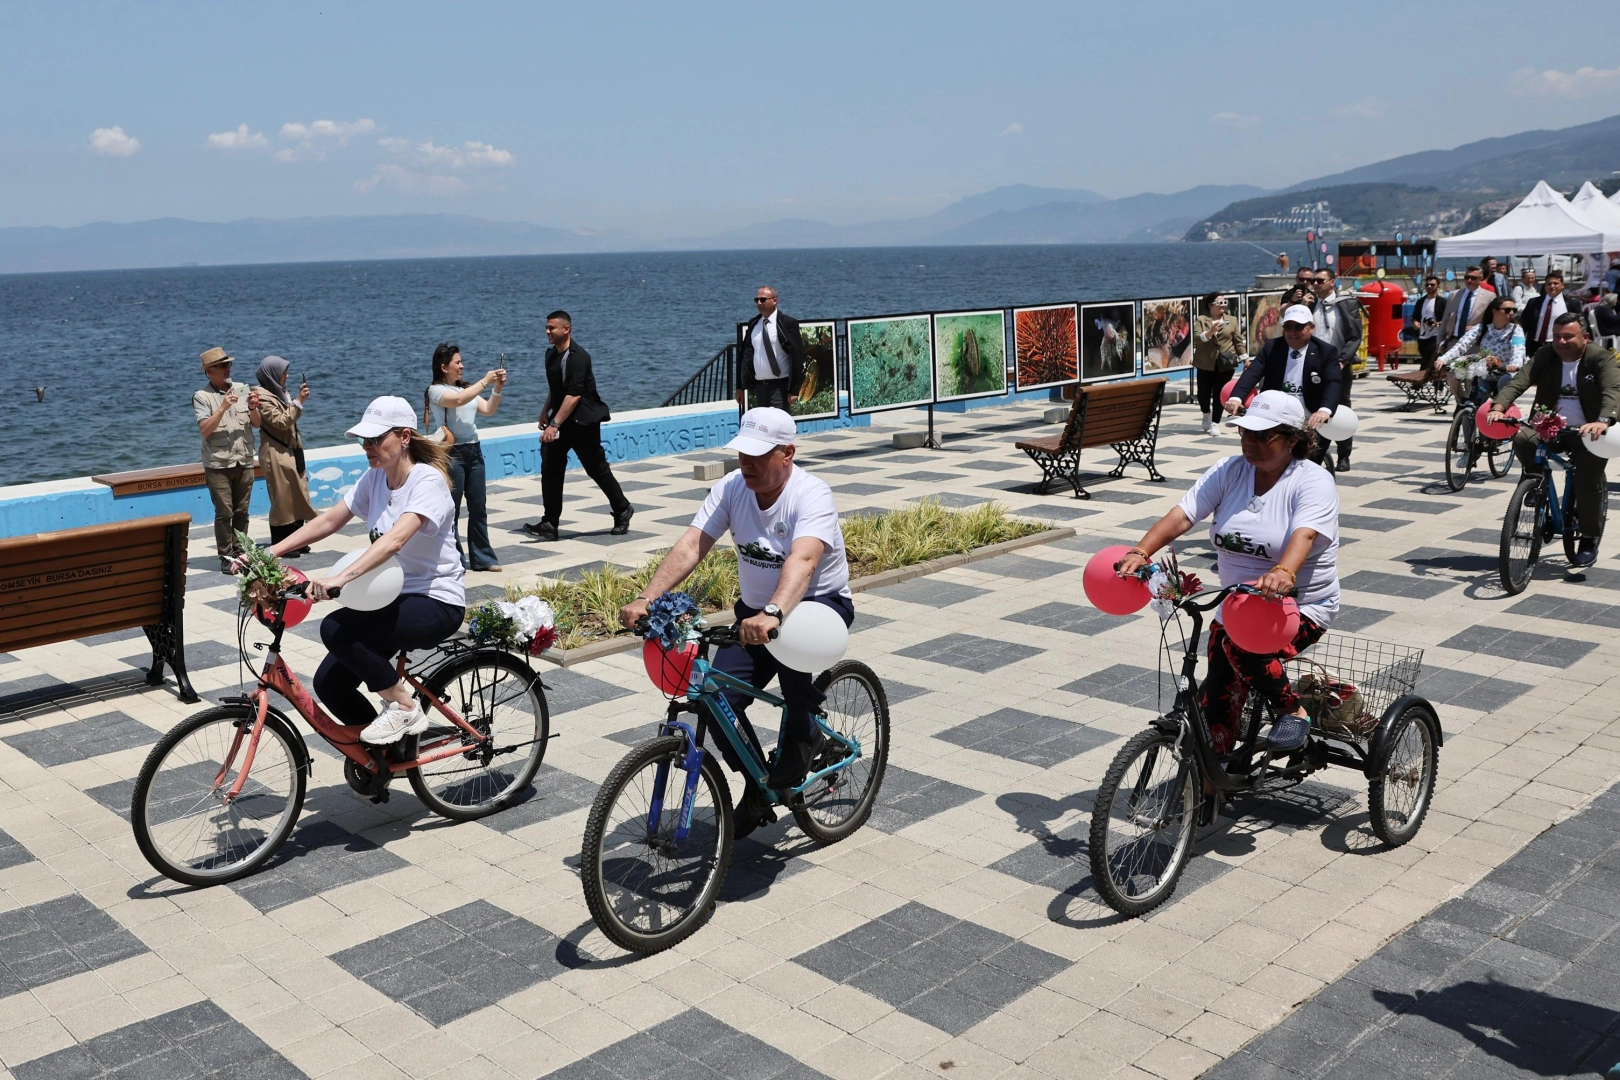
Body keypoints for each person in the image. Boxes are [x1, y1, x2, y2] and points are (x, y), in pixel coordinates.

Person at [618, 408, 854, 838]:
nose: (747, 462)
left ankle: (808, 734)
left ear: (787, 453)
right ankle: (758, 786)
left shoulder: (811, 494)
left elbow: (803, 560)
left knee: (795, 683)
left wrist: (776, 612)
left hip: (816, 607)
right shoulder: (731, 488)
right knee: (714, 697)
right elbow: (693, 543)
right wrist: (646, 597)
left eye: (759, 454)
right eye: (743, 452)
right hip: (756, 615)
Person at [1116, 390, 1339, 760]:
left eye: (1263, 436)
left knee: (1242, 647)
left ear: (1293, 440)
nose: (1250, 442)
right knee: (1215, 700)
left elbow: (1307, 534)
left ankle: (1292, 710)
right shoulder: (1228, 471)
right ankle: (1209, 791)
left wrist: (1284, 570)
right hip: (1235, 607)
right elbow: (1184, 515)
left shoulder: (1312, 481)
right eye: (1245, 433)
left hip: (1298, 607)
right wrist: (1141, 551)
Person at [259, 397, 466, 743]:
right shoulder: (375, 478)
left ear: (404, 437)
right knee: (330, 683)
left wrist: (339, 579)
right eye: (363, 440)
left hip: (435, 601)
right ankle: (384, 759)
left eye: (375, 439)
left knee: (337, 628)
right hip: (392, 600)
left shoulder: (427, 482)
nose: (367, 447)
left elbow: (395, 541)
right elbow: (328, 520)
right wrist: (269, 552)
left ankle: (403, 707)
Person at [1491, 315, 1620, 568]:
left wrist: (1603, 420)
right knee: (1522, 437)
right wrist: (1499, 406)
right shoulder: (1545, 355)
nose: (1561, 341)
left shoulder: (1600, 358)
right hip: (1549, 426)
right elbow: (1519, 381)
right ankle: (1534, 481)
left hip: (1589, 433)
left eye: (1568, 336)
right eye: (1557, 336)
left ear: (1585, 337)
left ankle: (1588, 537)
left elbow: (1612, 390)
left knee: (1586, 481)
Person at [522, 311, 633, 541]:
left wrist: (554, 424)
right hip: (561, 420)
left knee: (596, 469)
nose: (547, 332)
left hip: (583, 423)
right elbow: (556, 388)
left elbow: (574, 396)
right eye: (547, 327)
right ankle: (550, 523)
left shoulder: (580, 358)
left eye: (552, 328)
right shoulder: (551, 356)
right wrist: (545, 410)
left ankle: (622, 509)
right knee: (551, 469)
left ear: (566, 329)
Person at [426, 343, 505, 572]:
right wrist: (485, 381)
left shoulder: (466, 389)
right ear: (444, 367)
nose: (462, 366)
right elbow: (457, 401)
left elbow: (488, 409)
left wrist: (496, 388)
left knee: (478, 506)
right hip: (453, 454)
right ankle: (453, 560)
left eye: (461, 361)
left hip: (474, 451)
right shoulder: (436, 390)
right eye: (457, 362)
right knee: (452, 510)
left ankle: (483, 559)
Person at [1225, 305, 1340, 452]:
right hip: (1275, 414)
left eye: (1298, 327)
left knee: (1309, 461)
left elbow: (1333, 382)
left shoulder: (1326, 352)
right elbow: (1252, 373)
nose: (1292, 331)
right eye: (1288, 326)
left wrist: (1324, 410)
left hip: (1309, 417)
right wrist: (1236, 398)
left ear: (1311, 327)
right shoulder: (1272, 347)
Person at [194, 347, 260, 574]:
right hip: (219, 464)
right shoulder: (202, 397)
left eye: (229, 364)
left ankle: (241, 552)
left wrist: (252, 406)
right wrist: (223, 407)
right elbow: (205, 430)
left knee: (242, 511)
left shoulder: (241, 389)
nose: (228, 369)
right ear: (210, 371)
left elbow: (257, 423)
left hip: (244, 459)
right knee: (225, 513)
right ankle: (225, 555)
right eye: (223, 366)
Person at [252, 356, 315, 556]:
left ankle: (297, 540)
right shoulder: (260, 396)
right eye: (283, 373)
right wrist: (299, 402)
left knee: (299, 493)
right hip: (275, 452)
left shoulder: (280, 393)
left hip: (292, 449)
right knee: (283, 498)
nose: (287, 376)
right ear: (272, 374)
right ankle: (280, 543)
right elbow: (281, 421)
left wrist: (295, 401)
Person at [1312, 268, 1362, 471]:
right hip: (1314, 367)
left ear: (1332, 282)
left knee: (1341, 409)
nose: (1315, 284)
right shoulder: (1309, 305)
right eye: (1313, 281)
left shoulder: (1346, 304)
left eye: (1319, 281)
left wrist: (1342, 360)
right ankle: (1317, 452)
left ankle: (1344, 455)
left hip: (1339, 365)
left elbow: (1355, 336)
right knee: (1315, 408)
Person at [1434, 295, 1525, 401]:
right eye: (1507, 310)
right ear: (1494, 311)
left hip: (1505, 373)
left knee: (1503, 391)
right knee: (1475, 400)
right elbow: (1462, 344)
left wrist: (1515, 364)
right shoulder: (1482, 328)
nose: (1512, 313)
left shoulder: (1515, 330)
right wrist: (1443, 359)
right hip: (1485, 374)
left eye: (1514, 310)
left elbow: (1519, 349)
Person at [737, 286, 806, 412]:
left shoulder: (788, 323)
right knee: (764, 426)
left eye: (763, 300)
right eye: (756, 300)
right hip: (760, 386)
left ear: (774, 301)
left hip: (780, 386)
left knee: (778, 424)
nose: (759, 303)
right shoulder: (754, 324)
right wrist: (740, 387)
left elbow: (797, 356)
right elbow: (744, 356)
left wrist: (793, 390)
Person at [1192, 293, 1244, 434]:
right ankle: (1206, 413)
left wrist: (1245, 358)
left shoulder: (1232, 320)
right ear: (1210, 305)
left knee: (1219, 394)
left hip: (1225, 363)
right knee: (1203, 393)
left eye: (1224, 302)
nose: (1223, 305)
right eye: (1219, 303)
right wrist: (1211, 331)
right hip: (1205, 363)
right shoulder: (1202, 320)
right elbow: (1197, 338)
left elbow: (1238, 341)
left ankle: (1215, 423)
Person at [1521, 269, 1575, 355]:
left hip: (1559, 345)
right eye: (1549, 284)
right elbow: (1524, 323)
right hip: (1536, 345)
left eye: (1556, 283)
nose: (1552, 286)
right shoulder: (1534, 302)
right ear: (1545, 286)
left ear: (1562, 285)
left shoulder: (1571, 304)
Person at [1440, 266, 1491, 349]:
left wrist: (1480, 328)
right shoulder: (1454, 295)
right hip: (1453, 342)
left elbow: (1492, 322)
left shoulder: (1489, 296)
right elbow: (1445, 319)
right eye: (1467, 277)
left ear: (1480, 279)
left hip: (1474, 344)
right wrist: (1440, 343)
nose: (1469, 280)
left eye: (1473, 278)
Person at [1413, 276, 1446, 372]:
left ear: (1438, 286)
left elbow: (1448, 319)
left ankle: (1419, 380)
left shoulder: (1442, 302)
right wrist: (1415, 322)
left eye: (1432, 285)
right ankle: (1435, 380)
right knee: (1426, 358)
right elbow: (1415, 317)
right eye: (1427, 285)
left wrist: (1437, 324)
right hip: (1423, 336)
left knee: (1429, 359)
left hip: (1436, 335)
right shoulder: (1420, 302)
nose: (1429, 286)